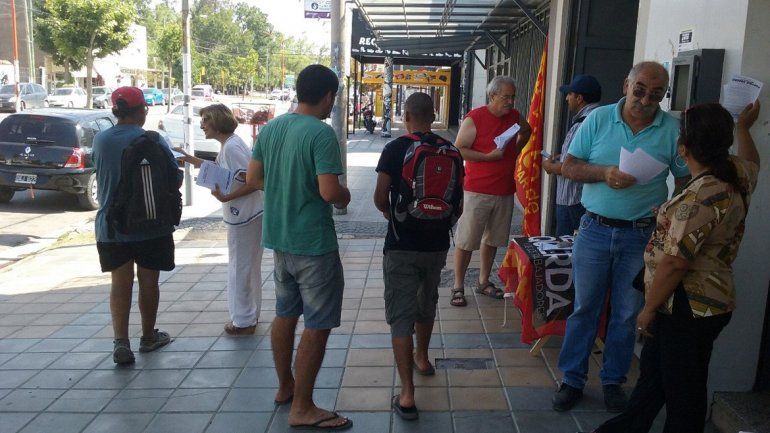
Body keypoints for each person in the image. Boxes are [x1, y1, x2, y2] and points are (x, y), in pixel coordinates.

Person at [584, 101, 762, 433]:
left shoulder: (697, 198)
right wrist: (744, 129)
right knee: (656, 373)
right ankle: (629, 425)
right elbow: (754, 162)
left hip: (686, 305)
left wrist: (647, 311)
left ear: (683, 148)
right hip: (711, 299)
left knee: (684, 391)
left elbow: (676, 263)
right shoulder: (736, 174)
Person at [552, 62, 692, 412]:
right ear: (626, 84)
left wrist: (672, 211)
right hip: (594, 230)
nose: (646, 100)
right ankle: (572, 380)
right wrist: (603, 173)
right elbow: (568, 166)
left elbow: (688, 177)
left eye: (656, 94)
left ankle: (613, 381)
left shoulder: (672, 129)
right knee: (584, 308)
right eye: (640, 89)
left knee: (627, 314)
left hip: (640, 235)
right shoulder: (597, 119)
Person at [246, 64, 352, 431]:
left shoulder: (272, 128)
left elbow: (253, 178)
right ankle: (303, 408)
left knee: (285, 314)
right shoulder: (321, 135)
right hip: (313, 244)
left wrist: (284, 189)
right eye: (332, 99)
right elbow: (330, 193)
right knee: (318, 324)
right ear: (327, 96)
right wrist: (345, 196)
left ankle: (285, 388)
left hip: (279, 240)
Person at [374, 93, 461, 420]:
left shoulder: (395, 148)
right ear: (435, 115)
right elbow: (459, 205)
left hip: (401, 244)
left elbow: (380, 197)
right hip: (437, 245)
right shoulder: (451, 150)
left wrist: (394, 216)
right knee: (427, 302)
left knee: (400, 314)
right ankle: (422, 358)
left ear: (406, 115)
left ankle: (407, 393)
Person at [92, 86, 181, 365]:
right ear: (141, 110)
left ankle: (121, 342)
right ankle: (148, 337)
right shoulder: (154, 139)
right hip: (152, 224)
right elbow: (174, 179)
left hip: (112, 224)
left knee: (119, 283)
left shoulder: (101, 140)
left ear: (116, 111)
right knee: (149, 282)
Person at [175, 104, 264, 335]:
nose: (202, 124)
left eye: (205, 119)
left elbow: (252, 181)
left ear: (217, 121)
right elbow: (224, 171)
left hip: (244, 215)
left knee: (240, 267)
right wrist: (191, 160)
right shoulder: (230, 144)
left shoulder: (232, 147)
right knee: (248, 266)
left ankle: (243, 321)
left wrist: (227, 197)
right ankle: (249, 314)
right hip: (247, 214)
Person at [451, 76, 532, 307]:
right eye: (506, 97)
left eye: (513, 97)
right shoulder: (475, 118)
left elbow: (527, 131)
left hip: (504, 189)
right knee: (467, 240)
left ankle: (483, 281)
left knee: (493, 239)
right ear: (492, 95)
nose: (510, 101)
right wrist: (487, 157)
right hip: (477, 189)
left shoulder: (514, 117)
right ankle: (458, 285)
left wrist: (515, 150)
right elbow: (459, 149)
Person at [542, 74, 602, 236]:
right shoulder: (600, 120)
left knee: (566, 250)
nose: (567, 98)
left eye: (570, 94)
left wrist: (550, 166)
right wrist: (561, 156)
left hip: (573, 199)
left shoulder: (584, 124)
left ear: (579, 98)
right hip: (581, 199)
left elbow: (573, 167)